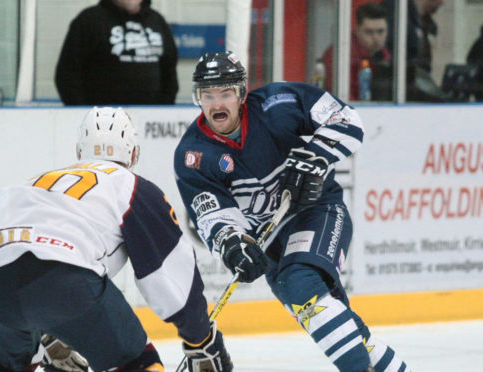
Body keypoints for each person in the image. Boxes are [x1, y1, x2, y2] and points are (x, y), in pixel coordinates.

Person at [173, 51, 410, 372]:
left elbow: (348, 119)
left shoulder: (278, 104)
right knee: (339, 324)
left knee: (299, 284)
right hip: (270, 242)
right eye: (208, 95)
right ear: (196, 97)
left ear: (241, 93)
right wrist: (233, 245)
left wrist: (315, 156)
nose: (217, 104)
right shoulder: (193, 155)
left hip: (318, 210)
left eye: (226, 93)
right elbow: (212, 217)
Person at [0, 107, 233, 372]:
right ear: (134, 154)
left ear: (80, 153)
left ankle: (43, 342)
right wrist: (201, 339)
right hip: (62, 283)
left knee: (1, 365)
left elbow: (20, 264)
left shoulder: (36, 182)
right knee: (137, 362)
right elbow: (170, 272)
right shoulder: (130, 184)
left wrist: (55, 331)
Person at [55, 0, 178, 105]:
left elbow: (169, 72)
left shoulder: (157, 21)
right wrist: (84, 116)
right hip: (101, 124)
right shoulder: (89, 20)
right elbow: (67, 75)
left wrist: (162, 111)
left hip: (150, 122)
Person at [321, 2, 392, 101]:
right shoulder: (340, 54)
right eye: (369, 32)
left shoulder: (385, 54)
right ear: (357, 30)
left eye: (380, 31)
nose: (376, 38)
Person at [381, 0, 448, 101]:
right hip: (399, 86)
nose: (442, 2)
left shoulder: (420, 18)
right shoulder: (397, 10)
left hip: (414, 83)